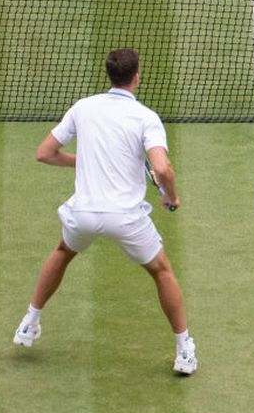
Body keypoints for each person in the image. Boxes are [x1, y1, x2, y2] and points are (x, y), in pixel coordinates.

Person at [12, 48, 196, 376]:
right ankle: (184, 350)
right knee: (162, 271)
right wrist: (171, 196)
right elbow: (162, 168)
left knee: (63, 252)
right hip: (126, 218)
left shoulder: (84, 108)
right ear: (136, 76)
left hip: (83, 214)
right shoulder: (146, 118)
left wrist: (84, 161)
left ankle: (29, 322)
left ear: (109, 75)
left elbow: (45, 153)